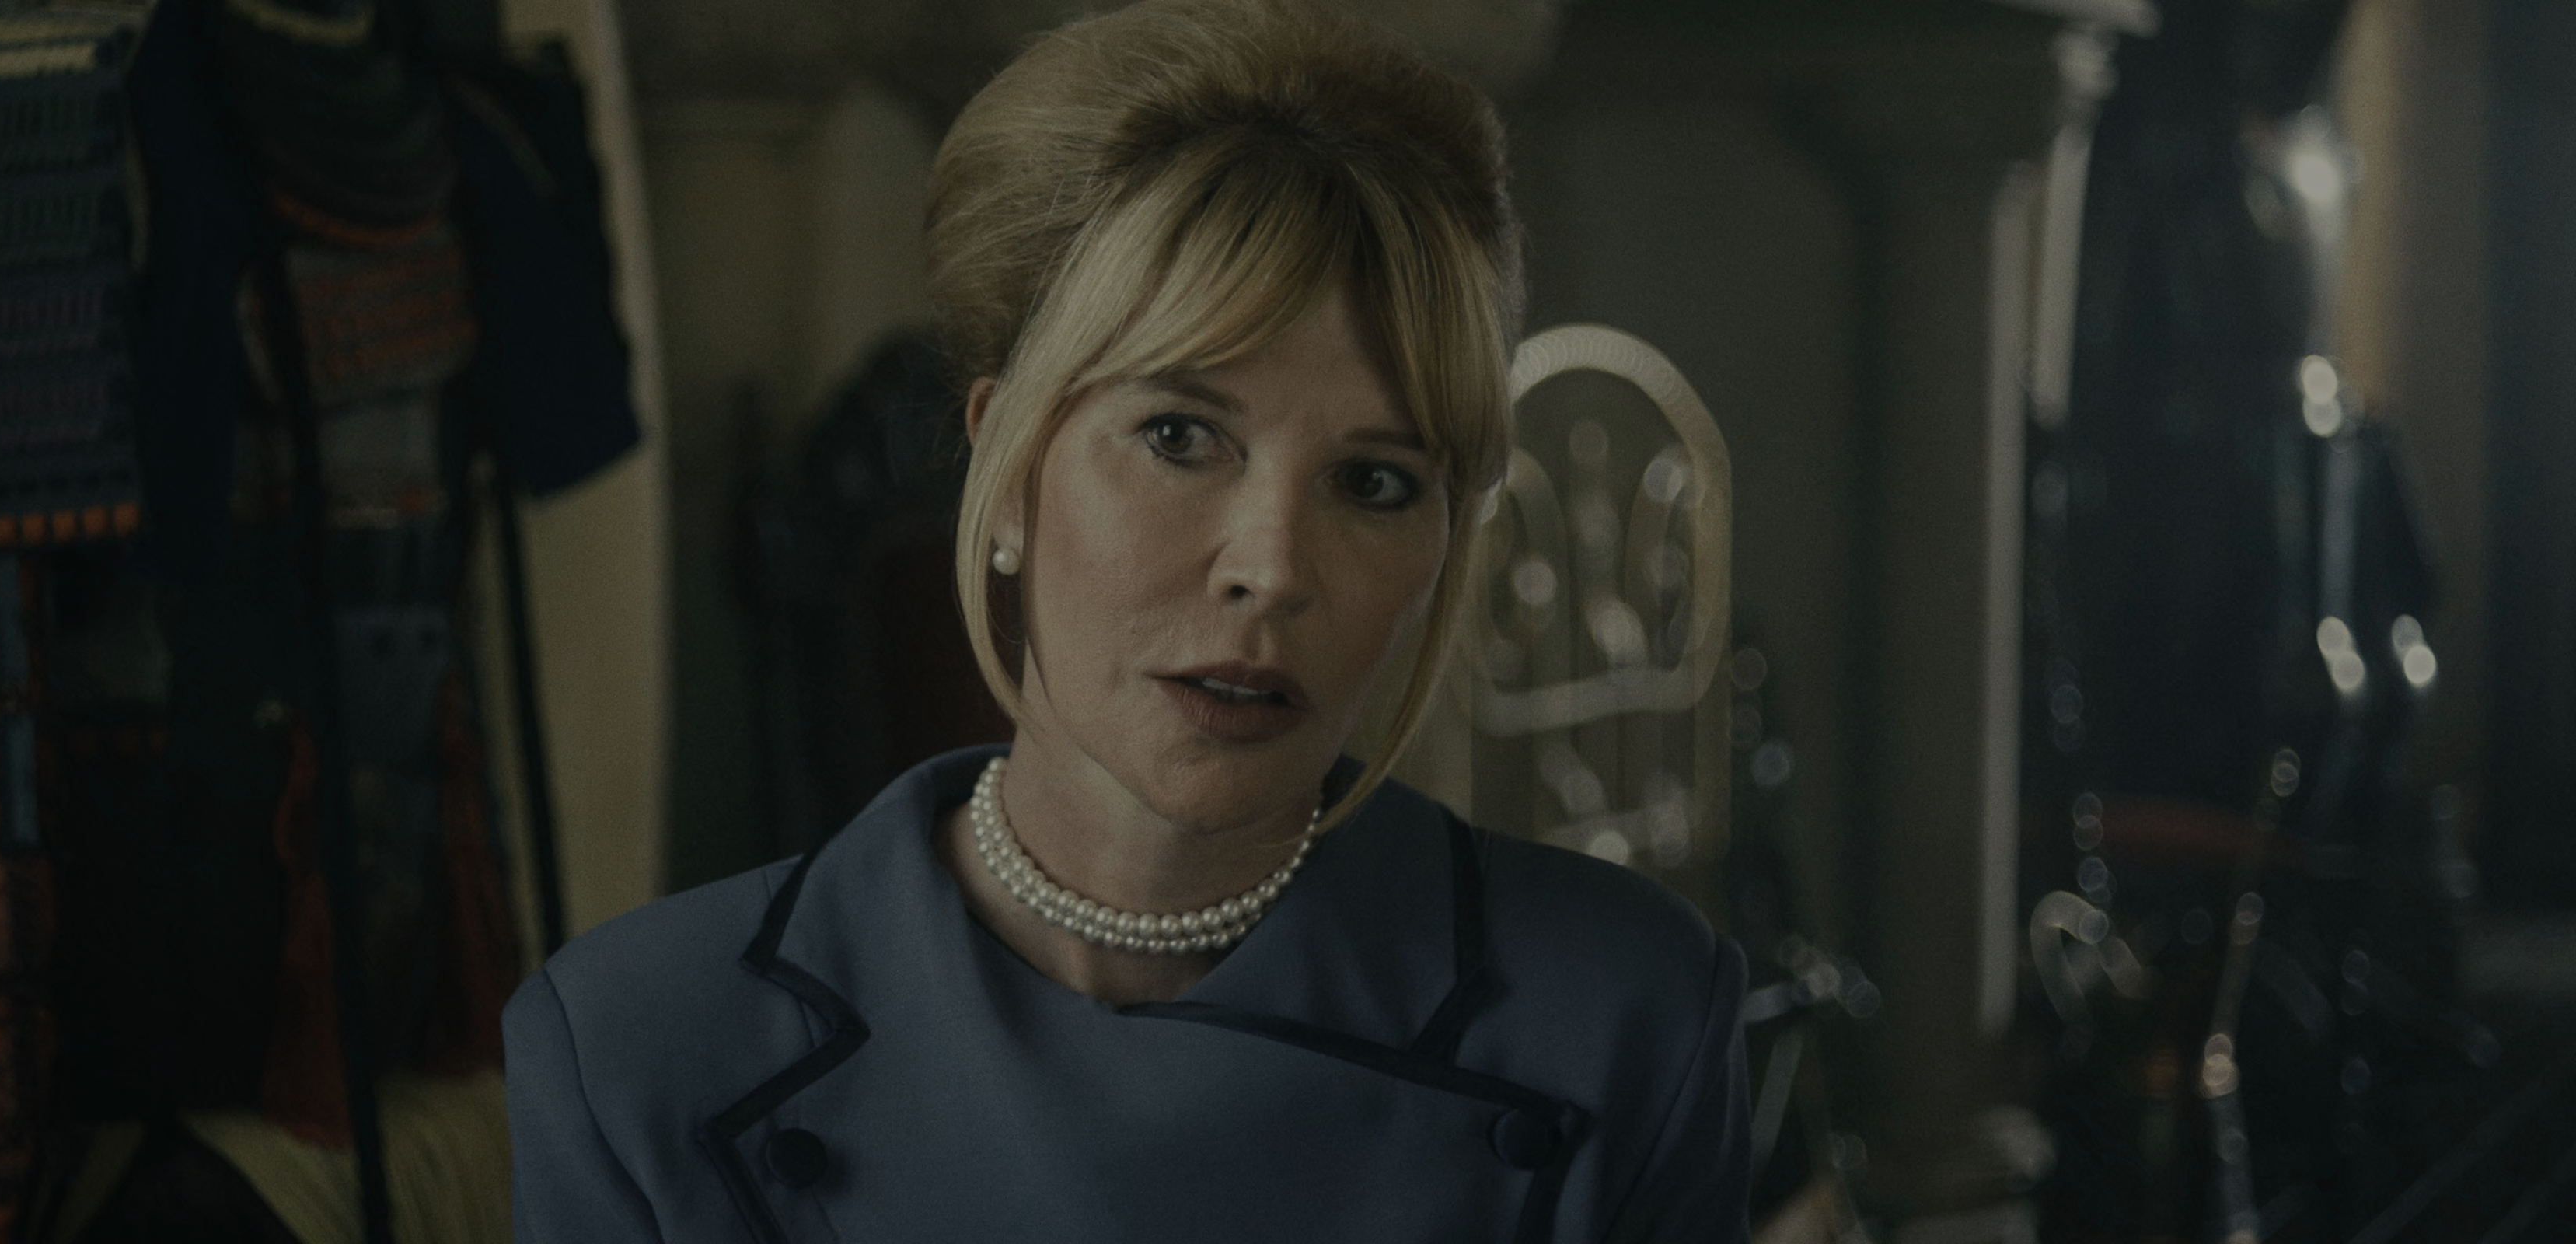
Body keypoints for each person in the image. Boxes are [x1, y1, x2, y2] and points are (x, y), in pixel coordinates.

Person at [504, 1, 1748, 1238]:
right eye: (1179, 437)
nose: (1271, 569)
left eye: (1374, 482)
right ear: (1005, 467)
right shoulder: (636, 1048)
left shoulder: (1626, 1017)